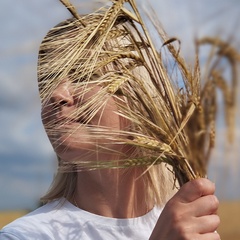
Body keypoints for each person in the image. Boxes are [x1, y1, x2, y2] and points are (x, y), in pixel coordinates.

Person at [0, 3, 221, 240]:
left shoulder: (187, 222)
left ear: (141, 94)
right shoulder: (26, 235)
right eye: (48, 81)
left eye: (83, 74)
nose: (56, 94)